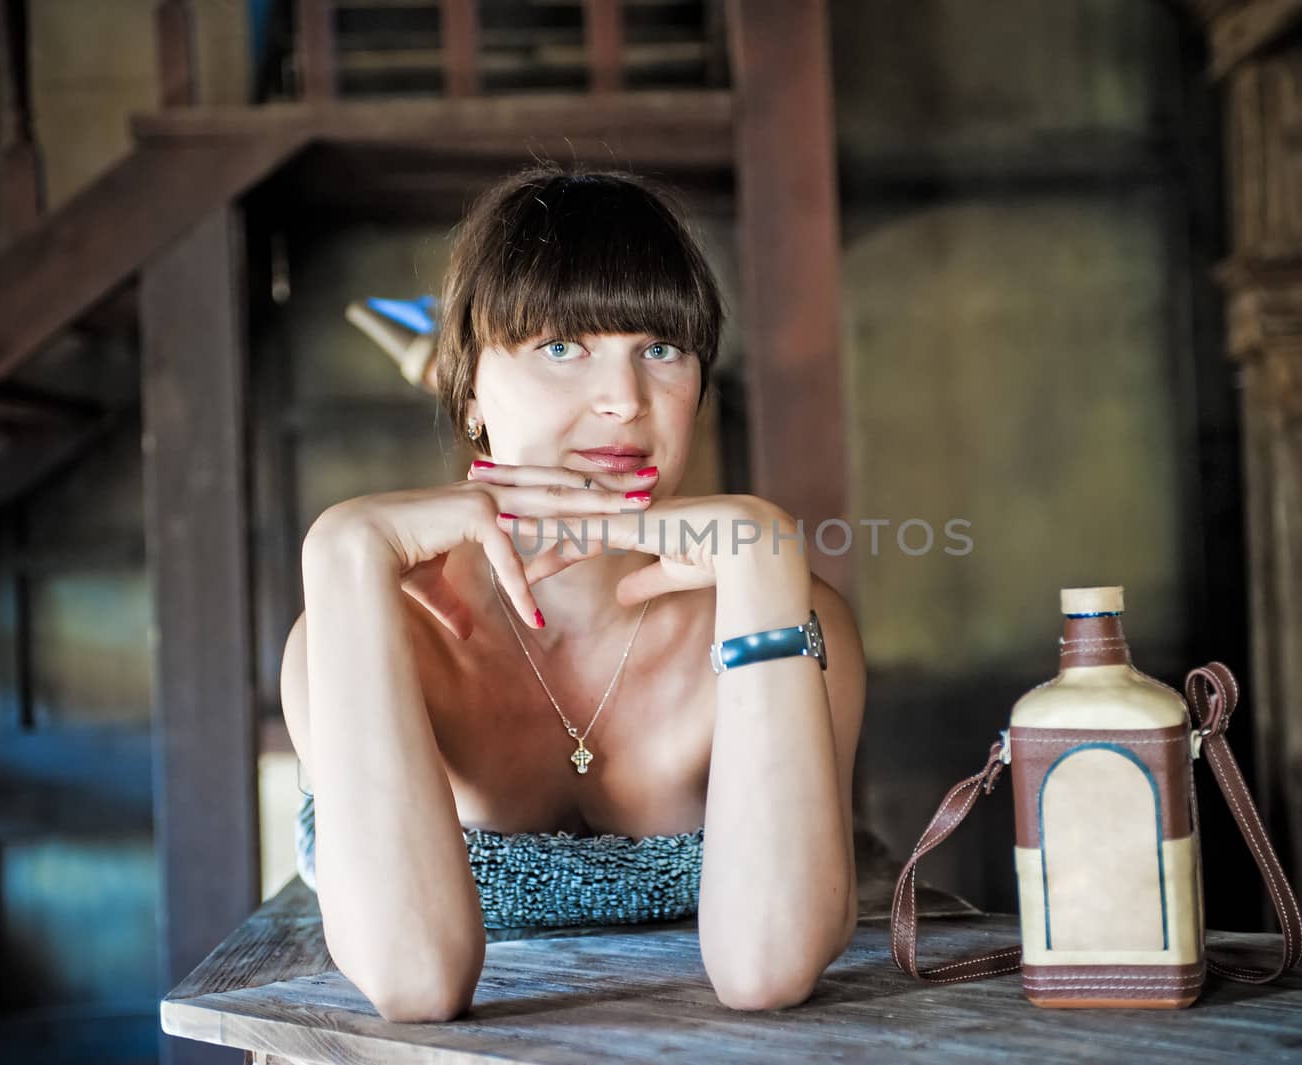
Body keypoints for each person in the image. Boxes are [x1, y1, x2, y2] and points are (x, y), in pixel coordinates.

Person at [279, 162, 867, 1023]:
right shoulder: (367, 625)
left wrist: (765, 560)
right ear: (468, 386)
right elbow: (415, 983)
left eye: (659, 349)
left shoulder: (786, 607)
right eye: (562, 348)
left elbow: (767, 968)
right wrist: (340, 553)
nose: (625, 402)